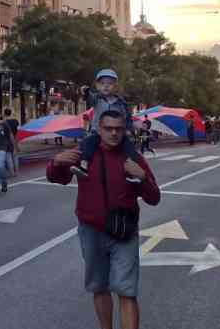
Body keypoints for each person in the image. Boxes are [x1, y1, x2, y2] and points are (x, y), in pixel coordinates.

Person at [47, 109, 160, 329]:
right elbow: (56, 178)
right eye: (108, 128)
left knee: (126, 291)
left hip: (124, 232)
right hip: (91, 230)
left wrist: (143, 178)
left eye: (118, 129)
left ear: (124, 130)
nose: (114, 133)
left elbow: (154, 197)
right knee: (99, 287)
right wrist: (56, 162)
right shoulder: (85, 153)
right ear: (99, 129)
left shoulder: (133, 158)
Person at [72, 70, 139, 183]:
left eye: (110, 83)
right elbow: (88, 97)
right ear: (97, 86)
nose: (106, 86)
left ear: (115, 86)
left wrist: (129, 129)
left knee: (129, 147)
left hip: (117, 132)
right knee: (88, 143)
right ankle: (84, 165)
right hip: (98, 131)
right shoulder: (96, 99)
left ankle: (131, 172)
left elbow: (127, 117)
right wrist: (86, 91)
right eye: (102, 83)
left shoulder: (121, 102)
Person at [4, 108, 20, 176]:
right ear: (11, 113)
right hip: (15, 139)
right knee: (15, 156)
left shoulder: (4, 122)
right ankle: (16, 171)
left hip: (7, 140)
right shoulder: (16, 121)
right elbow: (17, 130)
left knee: (8, 157)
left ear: (4, 114)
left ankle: (12, 172)